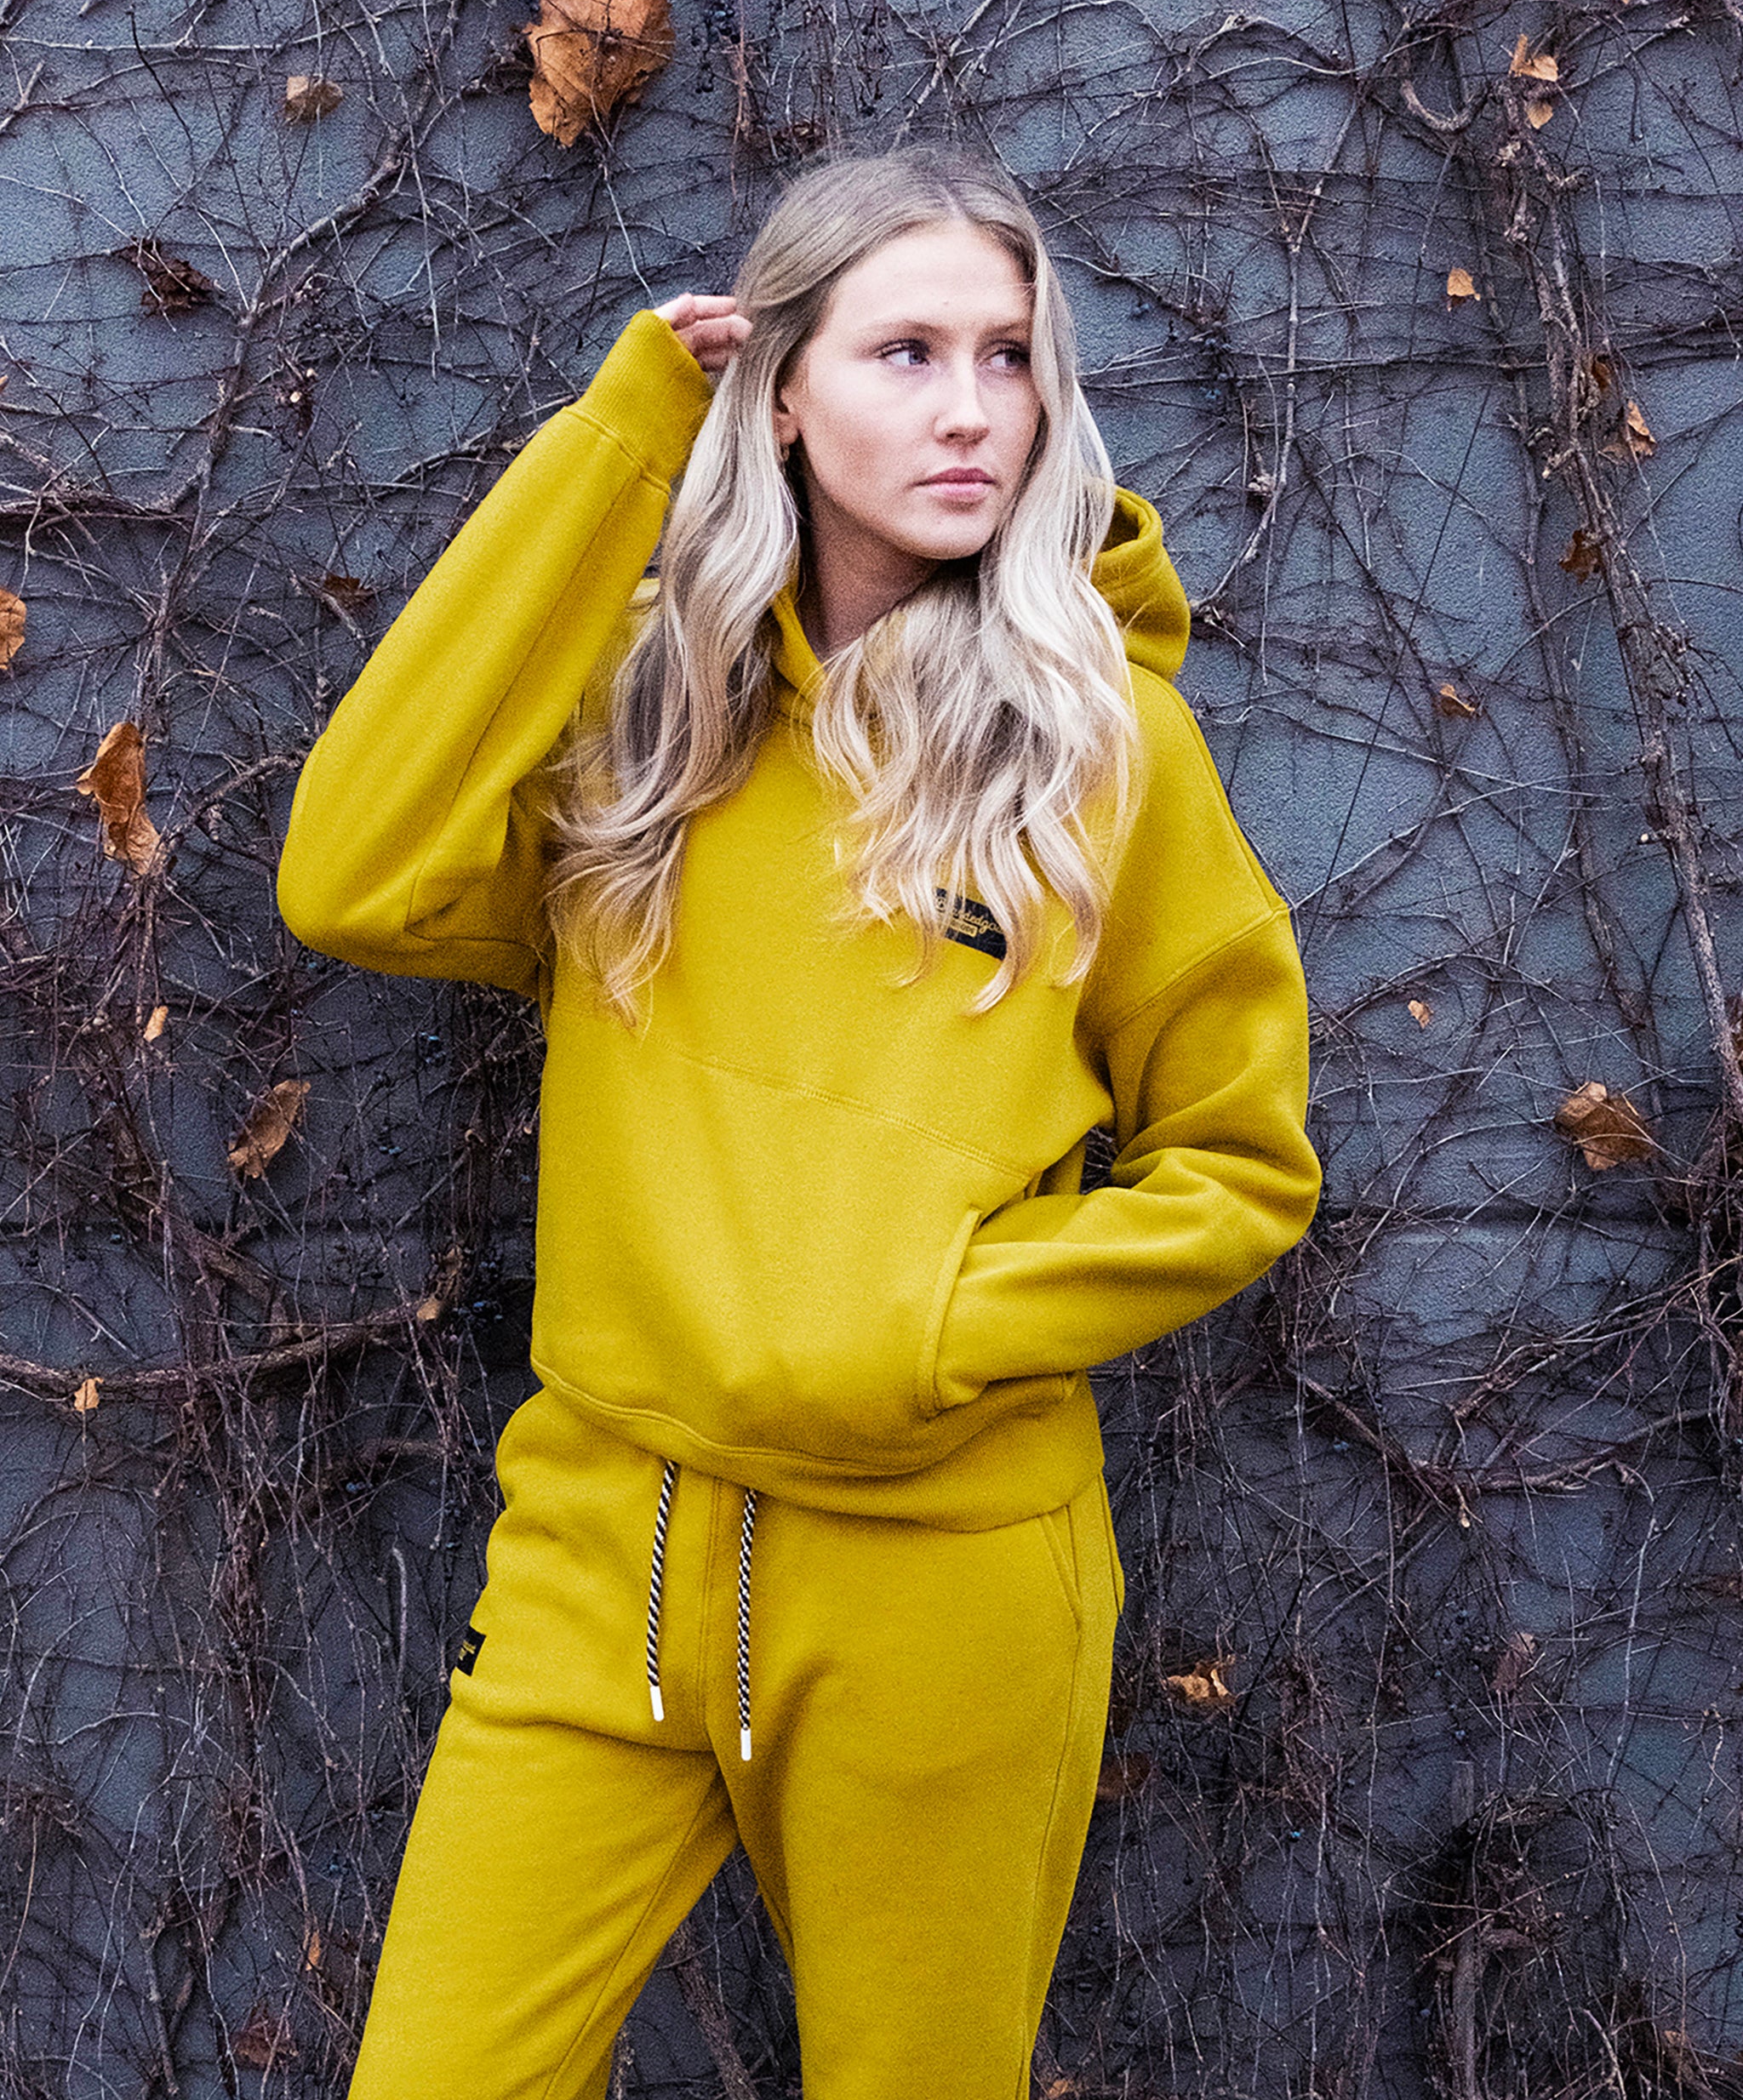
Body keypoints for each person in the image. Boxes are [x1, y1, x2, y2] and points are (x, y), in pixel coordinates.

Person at [277, 145, 1319, 2100]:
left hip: (940, 1586)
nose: (967, 408)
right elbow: (351, 875)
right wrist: (615, 444)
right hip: (607, 1545)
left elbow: (1242, 1158)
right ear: (779, 391)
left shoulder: (1107, 744)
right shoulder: (648, 737)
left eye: (1008, 356)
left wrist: (928, 1321)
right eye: (906, 348)